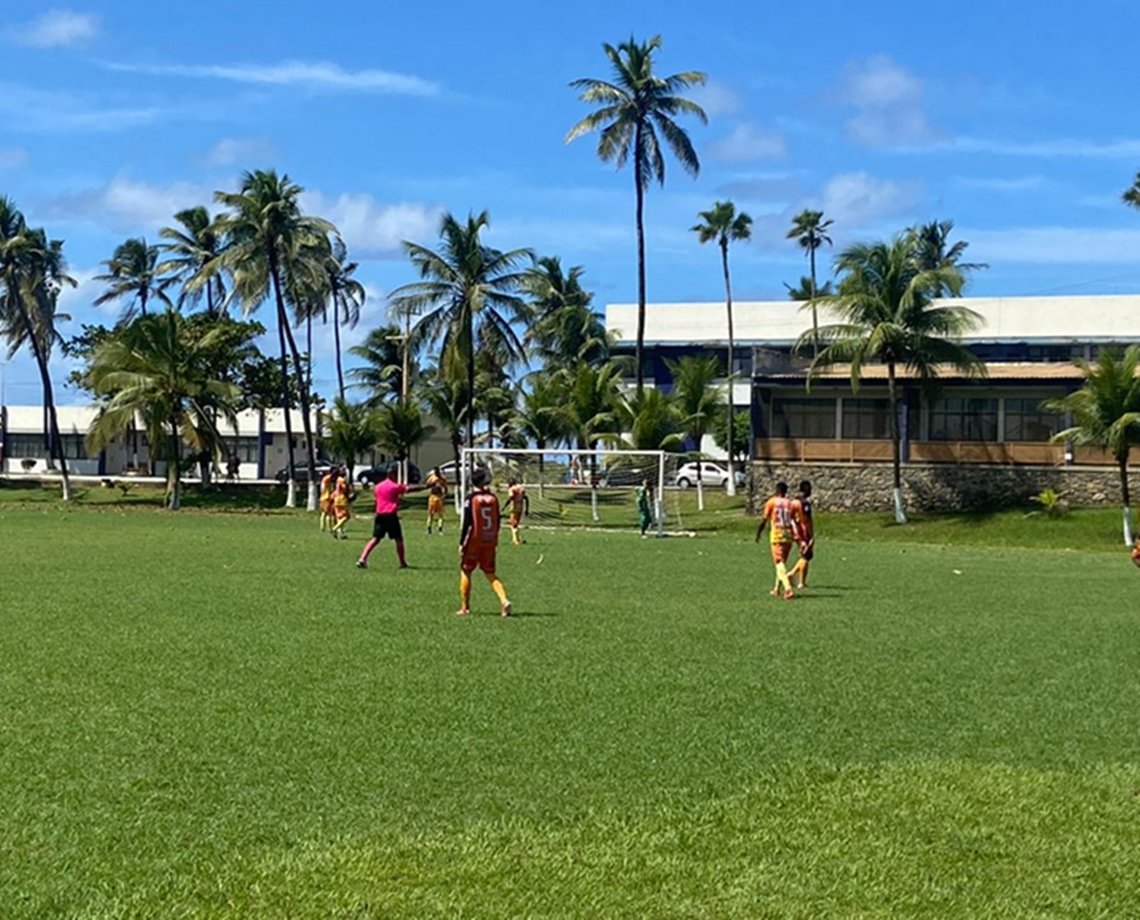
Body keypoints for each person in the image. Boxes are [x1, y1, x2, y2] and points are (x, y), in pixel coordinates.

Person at [456, 465, 512, 617]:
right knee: (490, 573)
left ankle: (465, 607)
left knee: (466, 570)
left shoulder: (471, 498)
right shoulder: (493, 498)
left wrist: (461, 543)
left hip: (474, 540)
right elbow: (497, 520)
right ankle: (504, 600)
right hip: (489, 539)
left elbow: (467, 522)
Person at [356, 464, 428, 569]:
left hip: (380, 515)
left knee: (375, 539)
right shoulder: (394, 486)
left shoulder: (378, 487)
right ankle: (402, 562)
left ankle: (362, 558)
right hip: (390, 515)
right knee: (398, 539)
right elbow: (410, 489)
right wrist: (426, 486)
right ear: (393, 474)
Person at [755, 481, 802, 601]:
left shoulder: (772, 502)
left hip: (777, 535)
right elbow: (794, 521)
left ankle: (788, 589)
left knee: (778, 562)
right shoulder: (790, 504)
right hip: (788, 535)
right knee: (782, 564)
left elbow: (764, 519)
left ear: (776, 491)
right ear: (786, 492)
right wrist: (798, 538)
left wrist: (758, 532)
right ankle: (777, 588)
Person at [789, 480, 815, 589]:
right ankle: (797, 579)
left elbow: (790, 518)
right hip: (804, 532)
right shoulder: (804, 504)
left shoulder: (793, 502)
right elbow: (807, 521)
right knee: (806, 555)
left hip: (796, 531)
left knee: (805, 555)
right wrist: (810, 536)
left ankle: (799, 580)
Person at [505, 476, 529, 546]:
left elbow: (511, 496)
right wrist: (527, 509)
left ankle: (516, 540)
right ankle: (516, 539)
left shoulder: (512, 489)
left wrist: (506, 504)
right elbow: (526, 498)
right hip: (520, 507)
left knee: (513, 524)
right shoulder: (521, 488)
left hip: (514, 507)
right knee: (516, 523)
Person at [425, 466, 448, 535]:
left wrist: (444, 495)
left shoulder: (441, 479)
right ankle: (429, 529)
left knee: (439, 515)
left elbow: (445, 487)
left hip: (438, 497)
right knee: (431, 514)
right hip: (433, 497)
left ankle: (439, 529)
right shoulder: (433, 478)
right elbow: (427, 484)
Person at [330, 473, 352, 539]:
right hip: (341, 499)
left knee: (340, 517)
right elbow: (344, 488)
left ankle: (342, 534)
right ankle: (334, 529)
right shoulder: (342, 480)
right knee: (347, 516)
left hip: (336, 499)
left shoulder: (337, 479)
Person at [318, 466, 337, 532]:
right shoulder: (328, 478)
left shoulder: (324, 478)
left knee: (323, 513)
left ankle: (322, 527)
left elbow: (322, 488)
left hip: (323, 497)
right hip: (327, 497)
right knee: (329, 514)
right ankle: (330, 528)